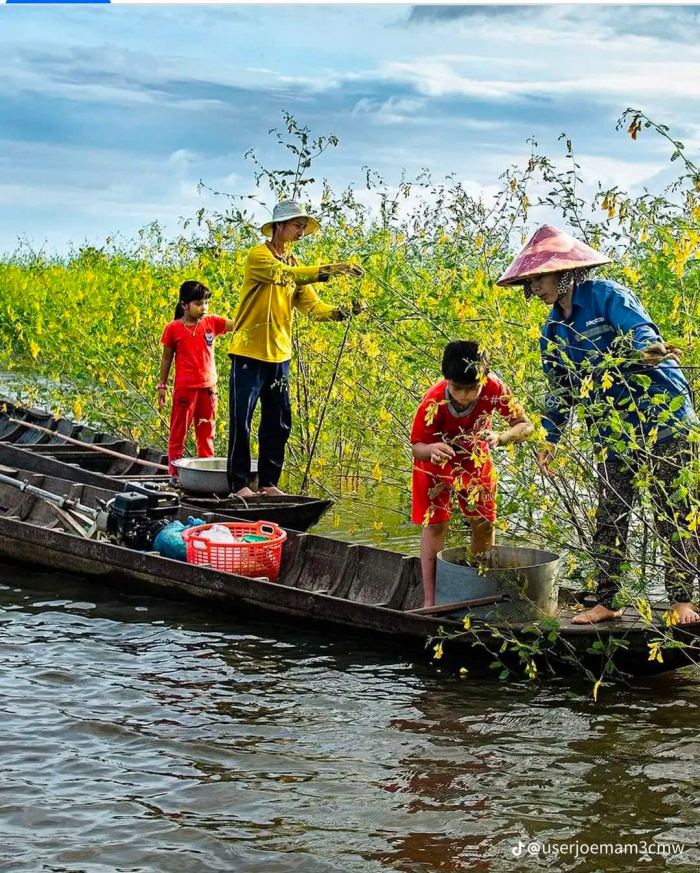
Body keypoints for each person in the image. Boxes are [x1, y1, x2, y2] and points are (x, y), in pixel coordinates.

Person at [497, 223, 700, 624]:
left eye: (541, 278)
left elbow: (640, 332)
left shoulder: (607, 295)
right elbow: (560, 392)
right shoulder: (552, 330)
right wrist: (549, 439)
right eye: (531, 280)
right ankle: (608, 600)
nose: (536, 287)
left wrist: (648, 350)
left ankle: (681, 599)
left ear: (565, 272)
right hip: (612, 429)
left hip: (662, 416)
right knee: (610, 512)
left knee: (671, 508)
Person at [227, 199, 363, 497]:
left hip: (280, 355)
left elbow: (312, 307)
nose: (301, 231)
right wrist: (333, 269)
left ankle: (267, 484)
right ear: (279, 227)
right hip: (248, 353)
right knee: (242, 421)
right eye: (296, 225)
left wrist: (344, 312)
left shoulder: (294, 264)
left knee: (279, 422)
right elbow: (285, 276)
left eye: (303, 226)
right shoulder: (259, 258)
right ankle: (238, 485)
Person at [410, 340, 534, 609]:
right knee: (435, 524)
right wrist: (431, 449)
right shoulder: (434, 400)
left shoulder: (494, 388)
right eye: (458, 389)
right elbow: (417, 446)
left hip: (475, 459)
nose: (465, 396)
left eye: (472, 389)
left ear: (485, 379)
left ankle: (479, 587)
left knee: (484, 522)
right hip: (436, 463)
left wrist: (501, 437)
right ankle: (430, 599)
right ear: (447, 381)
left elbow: (525, 426)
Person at [158, 280, 235, 482]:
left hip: (208, 390)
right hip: (185, 390)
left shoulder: (212, 323)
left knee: (206, 433)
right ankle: (174, 474)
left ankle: (207, 475)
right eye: (199, 304)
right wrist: (162, 385)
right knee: (178, 434)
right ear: (185, 305)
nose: (204, 308)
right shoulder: (173, 328)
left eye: (206, 303)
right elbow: (167, 358)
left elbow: (238, 324)